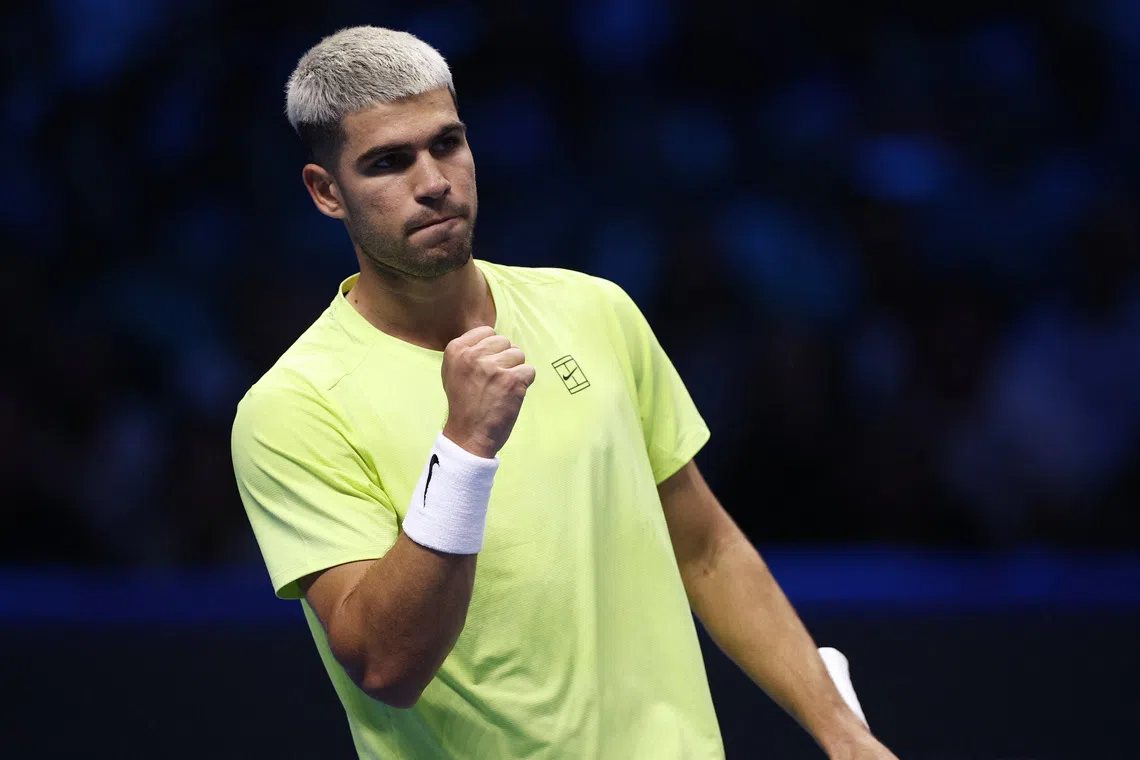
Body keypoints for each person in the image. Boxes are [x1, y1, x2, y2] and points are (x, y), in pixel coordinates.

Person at [231, 25, 898, 760]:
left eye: (447, 143)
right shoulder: (292, 407)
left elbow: (706, 548)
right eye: (388, 162)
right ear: (327, 192)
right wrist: (465, 448)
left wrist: (843, 732)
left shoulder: (595, 310)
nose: (433, 181)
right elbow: (386, 666)